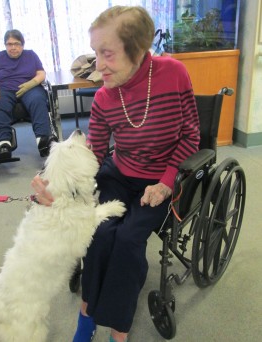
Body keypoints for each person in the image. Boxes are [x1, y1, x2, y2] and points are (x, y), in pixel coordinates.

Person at [31, 6, 200, 342]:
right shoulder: (105, 97)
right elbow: (92, 153)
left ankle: (118, 330)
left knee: (127, 240)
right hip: (118, 173)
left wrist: (167, 183)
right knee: (100, 230)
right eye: (95, 53)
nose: (98, 65)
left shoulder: (174, 74)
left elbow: (191, 135)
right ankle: (86, 314)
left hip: (159, 180)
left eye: (107, 53)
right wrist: (51, 181)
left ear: (138, 50)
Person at [0, 29, 56, 159]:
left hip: (29, 88)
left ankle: (43, 140)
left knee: (38, 99)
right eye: (9, 44)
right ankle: (3, 144)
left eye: (16, 44)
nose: (13, 47)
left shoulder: (31, 55)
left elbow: (41, 74)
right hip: (4, 89)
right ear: (5, 45)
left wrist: (32, 83)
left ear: (22, 44)